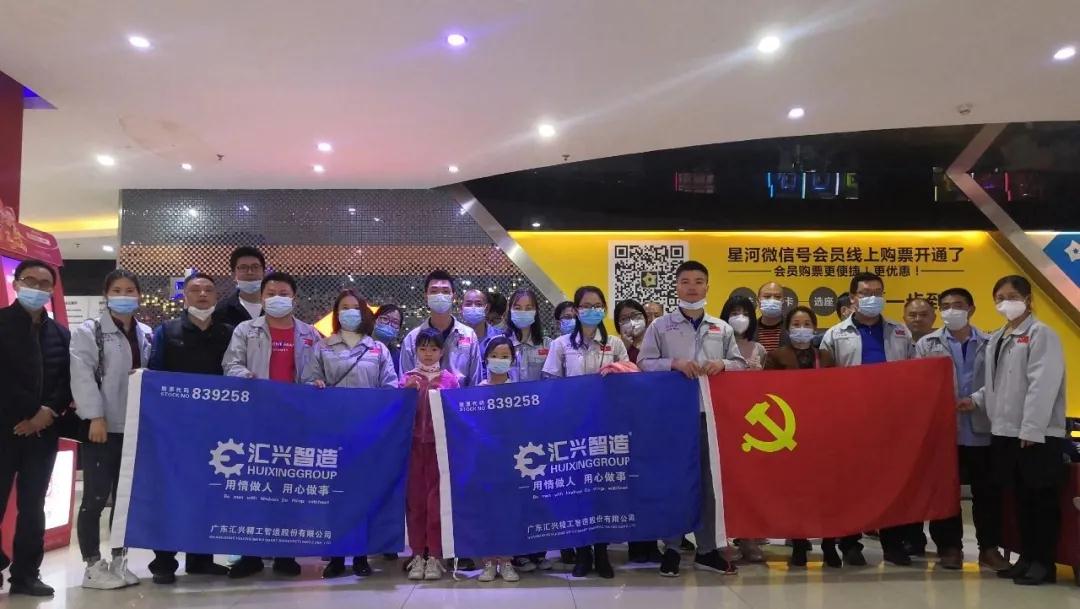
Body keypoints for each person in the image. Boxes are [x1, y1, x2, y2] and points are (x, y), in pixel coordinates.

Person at [637, 260, 745, 578]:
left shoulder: (722, 328)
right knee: (675, 481)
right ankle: (671, 548)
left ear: (708, 286)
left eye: (699, 281)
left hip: (711, 416)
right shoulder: (660, 327)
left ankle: (707, 550)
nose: (692, 287)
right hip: (672, 416)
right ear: (677, 287)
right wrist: (673, 363)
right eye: (685, 281)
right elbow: (644, 362)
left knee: (710, 485)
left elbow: (740, 363)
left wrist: (723, 364)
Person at [960, 275, 1067, 586]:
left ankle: (1044, 563)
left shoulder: (1041, 334)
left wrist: (1031, 429)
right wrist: (975, 400)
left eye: (1012, 297)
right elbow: (997, 384)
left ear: (1028, 299)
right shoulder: (999, 337)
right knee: (1020, 500)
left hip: (1036, 435)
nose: (1005, 303)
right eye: (1000, 298)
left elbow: (1042, 384)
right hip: (1005, 432)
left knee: (1041, 501)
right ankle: (1027, 558)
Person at [223, 271, 322, 578]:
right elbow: (230, 364)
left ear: (294, 298)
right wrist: (244, 376)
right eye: (271, 293)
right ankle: (250, 554)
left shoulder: (309, 334)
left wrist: (316, 383)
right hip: (255, 418)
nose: (277, 298)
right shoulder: (245, 330)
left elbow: (316, 371)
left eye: (284, 293)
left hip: (294, 421)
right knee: (252, 488)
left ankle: (285, 553)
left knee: (288, 488)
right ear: (262, 297)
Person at [820, 271, 915, 566]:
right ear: (853, 298)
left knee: (891, 482)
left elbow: (915, 374)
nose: (872, 297)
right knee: (851, 483)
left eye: (878, 292)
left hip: (891, 419)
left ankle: (893, 543)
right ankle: (850, 543)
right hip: (851, 420)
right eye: (865, 293)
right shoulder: (834, 334)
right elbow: (823, 381)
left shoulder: (900, 332)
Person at [145, 273, 234, 584]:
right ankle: (164, 561)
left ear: (216, 296)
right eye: (196, 290)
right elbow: (155, 375)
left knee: (206, 493)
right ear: (185, 296)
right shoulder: (167, 331)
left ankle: (201, 559)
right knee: (172, 494)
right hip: (175, 428)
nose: (202, 295)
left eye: (209, 290)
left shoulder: (228, 333)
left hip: (216, 429)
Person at [302, 289, 397, 578]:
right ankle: (336, 556)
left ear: (363, 312)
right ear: (337, 313)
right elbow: (307, 380)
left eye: (355, 307)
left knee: (363, 494)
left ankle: (361, 555)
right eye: (344, 307)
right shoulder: (323, 346)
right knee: (335, 495)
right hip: (334, 431)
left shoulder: (377, 349)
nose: (349, 312)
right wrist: (315, 385)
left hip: (367, 433)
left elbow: (390, 387)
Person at [914, 287, 1008, 572]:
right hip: (945, 431)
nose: (951, 310)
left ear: (971, 309)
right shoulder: (927, 344)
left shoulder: (991, 342)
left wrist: (976, 399)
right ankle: (949, 548)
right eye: (945, 306)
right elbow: (920, 383)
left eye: (957, 305)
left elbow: (999, 380)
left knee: (987, 493)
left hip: (982, 428)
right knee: (944, 493)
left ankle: (988, 549)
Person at [70, 269, 153, 589]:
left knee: (125, 499)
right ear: (106, 294)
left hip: (134, 426)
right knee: (94, 497)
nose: (124, 295)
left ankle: (120, 560)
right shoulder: (89, 331)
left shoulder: (146, 332)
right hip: (102, 426)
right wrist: (95, 416)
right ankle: (92, 565)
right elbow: (82, 375)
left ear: (139, 295)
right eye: (117, 290)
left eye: (130, 290)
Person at [542, 286, 629, 579]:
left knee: (602, 488)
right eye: (586, 305)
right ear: (577, 310)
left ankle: (602, 552)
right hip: (572, 427)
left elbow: (630, 378)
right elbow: (551, 382)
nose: (592, 310)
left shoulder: (614, 343)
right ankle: (581, 552)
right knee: (576, 489)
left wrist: (619, 371)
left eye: (597, 305)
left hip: (606, 425)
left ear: (604, 308)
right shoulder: (561, 344)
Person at [0, 259, 71, 597]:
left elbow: (67, 380)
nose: (38, 288)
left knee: (33, 506)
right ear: (16, 283)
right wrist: (29, 414)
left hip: (43, 434)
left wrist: (47, 413)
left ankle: (26, 575)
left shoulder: (61, 334)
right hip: (4, 429)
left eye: (45, 284)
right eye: (31, 281)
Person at [763, 306, 839, 568]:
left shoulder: (825, 356)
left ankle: (829, 544)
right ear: (787, 328)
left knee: (827, 491)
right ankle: (798, 543)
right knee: (797, 490)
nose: (802, 328)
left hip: (822, 430)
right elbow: (768, 392)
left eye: (807, 323)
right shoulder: (776, 356)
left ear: (815, 327)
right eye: (796, 324)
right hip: (791, 430)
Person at [402, 329, 460, 581]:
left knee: (436, 503)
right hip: (413, 448)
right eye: (423, 348)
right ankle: (417, 554)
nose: (428, 354)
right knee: (415, 502)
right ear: (415, 351)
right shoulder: (406, 378)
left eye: (433, 349)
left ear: (442, 352)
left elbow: (457, 417)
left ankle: (435, 555)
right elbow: (396, 415)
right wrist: (406, 394)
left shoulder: (450, 380)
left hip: (440, 449)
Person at [476, 336, 522, 583]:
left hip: (511, 461)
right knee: (486, 511)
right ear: (486, 359)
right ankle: (488, 561)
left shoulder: (519, 392)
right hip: (485, 462)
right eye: (494, 356)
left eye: (505, 357)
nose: (499, 360)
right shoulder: (476, 391)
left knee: (509, 511)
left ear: (512, 360)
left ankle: (506, 560)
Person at [399, 270, 480, 386]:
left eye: (445, 291)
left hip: (459, 396)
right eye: (434, 291)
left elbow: (475, 383)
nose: (440, 295)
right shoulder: (412, 338)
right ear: (426, 296)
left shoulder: (469, 335)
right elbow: (404, 383)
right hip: (422, 397)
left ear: (453, 296)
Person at [213, 246, 267, 327]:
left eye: (255, 267)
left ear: (264, 273)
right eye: (243, 267)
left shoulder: (275, 306)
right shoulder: (222, 310)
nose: (250, 272)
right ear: (233, 274)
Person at [720, 296, 767, 371]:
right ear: (726, 316)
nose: (741, 318)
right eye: (735, 314)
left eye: (746, 314)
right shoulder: (717, 345)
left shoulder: (759, 348)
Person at [753, 281, 788, 353]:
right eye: (767, 296)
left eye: (777, 297)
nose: (772, 300)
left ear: (783, 301)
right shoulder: (748, 330)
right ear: (758, 302)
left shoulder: (793, 329)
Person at [372, 304, 404, 376]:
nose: (389, 324)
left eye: (395, 322)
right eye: (385, 319)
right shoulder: (361, 347)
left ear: (399, 329)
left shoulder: (398, 356)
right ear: (374, 320)